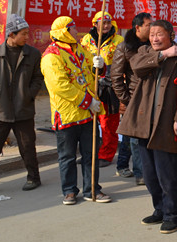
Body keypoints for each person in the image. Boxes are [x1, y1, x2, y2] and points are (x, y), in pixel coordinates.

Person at [119, 20, 177, 234]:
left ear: (171, 35)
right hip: (143, 124)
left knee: (167, 173)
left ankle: (173, 213)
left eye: (159, 34)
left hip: (166, 125)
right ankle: (160, 209)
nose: (154, 38)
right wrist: (164, 55)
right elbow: (136, 67)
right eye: (152, 34)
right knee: (149, 173)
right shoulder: (144, 53)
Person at [41, 16, 111, 205]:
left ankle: (92, 189)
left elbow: (92, 69)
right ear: (64, 31)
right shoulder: (51, 56)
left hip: (88, 115)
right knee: (67, 156)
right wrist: (88, 101)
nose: (76, 31)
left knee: (91, 154)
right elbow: (60, 86)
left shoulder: (79, 49)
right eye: (72, 29)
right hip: (66, 115)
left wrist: (100, 65)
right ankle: (70, 190)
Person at [0, 14, 44, 197]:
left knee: (28, 147)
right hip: (1, 110)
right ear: (11, 34)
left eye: (27, 33)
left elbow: (38, 78)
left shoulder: (33, 54)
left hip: (24, 109)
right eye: (23, 33)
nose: (27, 37)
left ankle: (33, 178)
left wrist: (29, 94)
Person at [109, 12, 151, 185]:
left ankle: (151, 169)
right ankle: (140, 173)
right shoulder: (124, 47)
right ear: (138, 28)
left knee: (151, 137)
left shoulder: (154, 44)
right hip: (134, 99)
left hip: (152, 98)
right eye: (148, 25)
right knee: (134, 139)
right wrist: (127, 100)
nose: (152, 28)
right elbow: (116, 78)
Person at [81, 11, 124, 167]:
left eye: (108, 22)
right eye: (103, 22)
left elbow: (122, 64)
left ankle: (106, 154)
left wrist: (106, 69)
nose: (106, 26)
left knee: (108, 124)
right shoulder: (86, 40)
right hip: (91, 86)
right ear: (95, 24)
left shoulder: (119, 40)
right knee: (89, 123)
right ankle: (89, 153)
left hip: (109, 87)